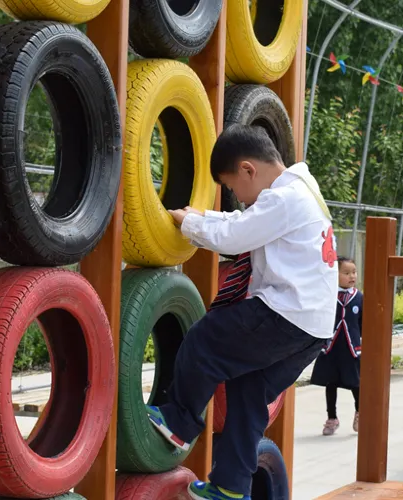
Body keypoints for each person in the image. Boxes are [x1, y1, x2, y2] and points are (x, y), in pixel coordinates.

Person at [147, 124, 338, 500]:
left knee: (204, 339)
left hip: (286, 313)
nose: (236, 196)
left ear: (248, 169)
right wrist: (201, 216)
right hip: (313, 329)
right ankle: (231, 487)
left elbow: (235, 238)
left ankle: (179, 421)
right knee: (248, 389)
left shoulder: (284, 199)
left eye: (232, 186)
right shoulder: (301, 190)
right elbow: (243, 224)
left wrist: (190, 224)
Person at [309, 257, 363, 436]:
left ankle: (360, 412)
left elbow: (363, 323)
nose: (352, 276)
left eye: (354, 272)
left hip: (351, 348)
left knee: (356, 383)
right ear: (335, 274)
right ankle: (332, 418)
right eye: (346, 273)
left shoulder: (359, 297)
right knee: (330, 383)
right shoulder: (328, 295)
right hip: (331, 347)